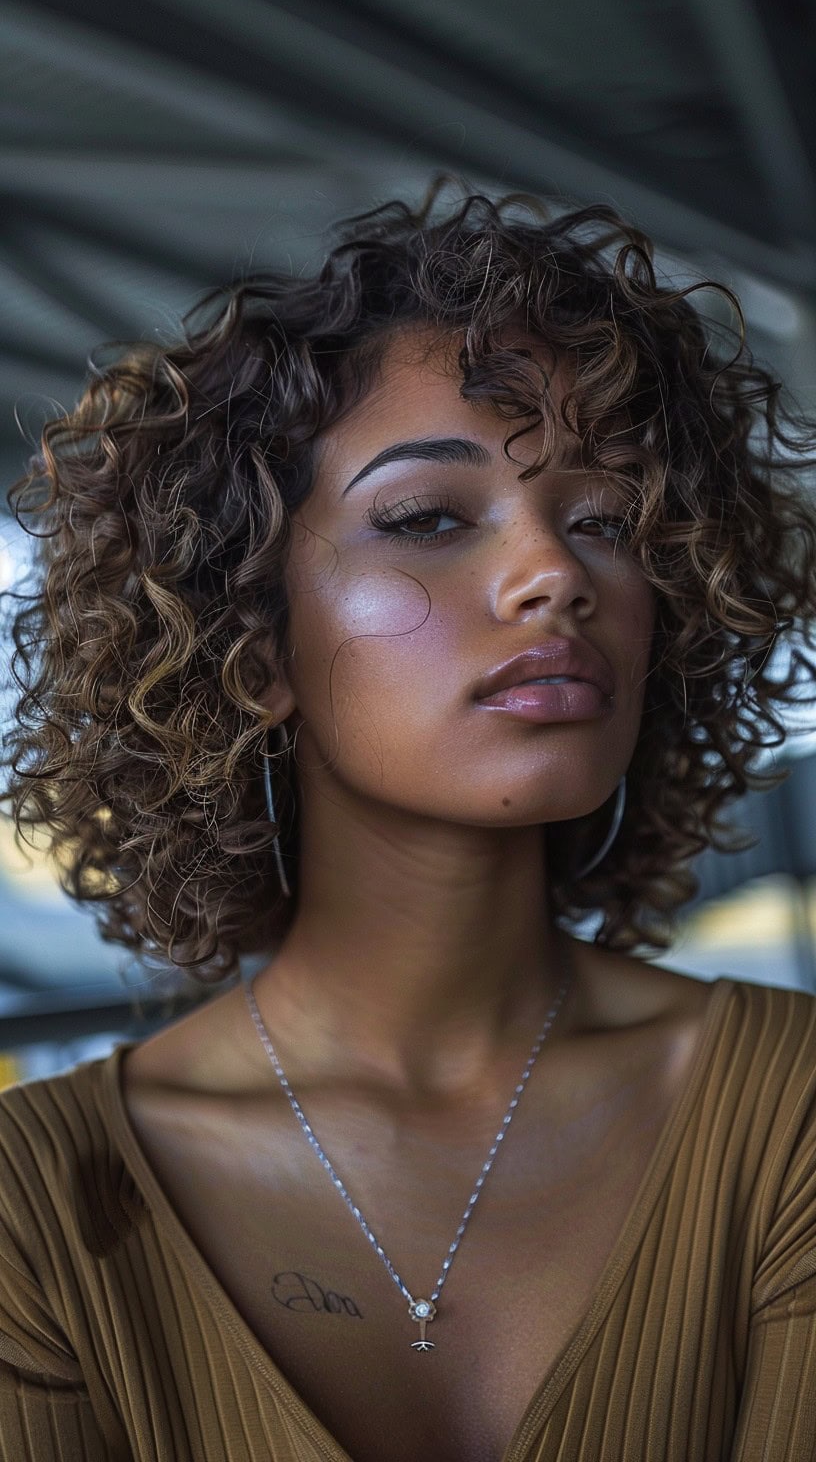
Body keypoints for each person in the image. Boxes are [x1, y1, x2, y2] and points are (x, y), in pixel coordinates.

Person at [0, 178, 815, 1462]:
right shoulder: (32, 1199)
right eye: (429, 517)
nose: (557, 574)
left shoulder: (789, 1107)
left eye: (606, 521)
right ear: (252, 650)